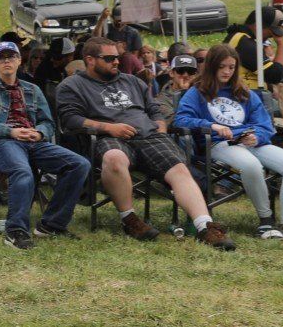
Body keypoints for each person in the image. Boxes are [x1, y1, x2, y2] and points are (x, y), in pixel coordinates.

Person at [56, 37, 232, 247]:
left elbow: (155, 110)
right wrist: (110, 128)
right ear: (90, 60)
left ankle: (205, 227)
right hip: (109, 138)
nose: (116, 62)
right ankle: (130, 220)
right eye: (110, 58)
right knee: (114, 158)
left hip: (149, 136)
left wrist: (161, 129)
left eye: (118, 57)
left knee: (179, 169)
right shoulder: (72, 85)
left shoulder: (132, 81)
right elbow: (70, 119)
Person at [0, 40, 92, 249]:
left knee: (79, 164)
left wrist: (40, 133)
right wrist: (10, 131)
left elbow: (48, 123)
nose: (6, 61)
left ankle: (51, 225)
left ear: (19, 61)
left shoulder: (32, 89)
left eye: (11, 57)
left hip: (34, 142)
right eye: (1, 58)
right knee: (22, 171)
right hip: (3, 142)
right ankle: (15, 231)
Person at [174, 44, 283, 240]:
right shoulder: (197, 92)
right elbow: (181, 120)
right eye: (222, 67)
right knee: (250, 165)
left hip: (252, 142)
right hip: (219, 143)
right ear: (212, 66)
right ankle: (266, 222)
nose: (227, 71)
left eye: (231, 67)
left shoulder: (244, 92)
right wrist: (211, 126)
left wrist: (257, 136)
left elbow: (265, 124)